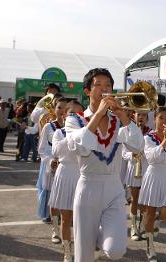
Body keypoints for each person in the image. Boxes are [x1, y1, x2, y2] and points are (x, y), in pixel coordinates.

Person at [65, 68, 144, 261]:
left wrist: (123, 115)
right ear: (87, 92)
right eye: (98, 85)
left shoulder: (119, 121)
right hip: (87, 187)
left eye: (108, 85)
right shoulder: (74, 119)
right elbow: (80, 148)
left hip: (114, 188)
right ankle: (91, 237)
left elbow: (137, 146)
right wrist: (99, 114)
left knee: (116, 250)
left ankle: (98, 235)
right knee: (84, 255)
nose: (104, 89)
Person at [138, 106, 166, 261]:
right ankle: (150, 247)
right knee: (149, 212)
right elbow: (151, 157)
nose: (164, 121)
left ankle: (155, 222)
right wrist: (164, 140)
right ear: (154, 119)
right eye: (161, 118)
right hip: (153, 174)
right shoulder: (148, 138)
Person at [49, 100, 84, 262]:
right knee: (66, 217)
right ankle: (67, 251)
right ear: (64, 116)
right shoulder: (58, 133)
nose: (76, 117)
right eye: (72, 114)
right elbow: (56, 151)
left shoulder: (86, 132)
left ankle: (83, 248)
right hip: (64, 173)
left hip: (82, 175)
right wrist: (70, 134)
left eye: (79, 114)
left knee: (82, 217)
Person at [38, 97, 68, 243]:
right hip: (53, 168)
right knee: (54, 199)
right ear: (54, 109)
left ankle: (66, 230)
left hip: (69, 169)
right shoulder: (48, 127)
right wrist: (50, 162)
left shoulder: (74, 127)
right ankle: (55, 231)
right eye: (59, 108)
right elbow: (42, 149)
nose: (62, 111)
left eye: (65, 108)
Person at [122, 111, 150, 241]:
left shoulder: (150, 133)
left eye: (144, 115)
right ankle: (133, 227)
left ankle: (143, 225)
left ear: (147, 118)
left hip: (147, 169)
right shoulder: (127, 131)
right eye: (139, 115)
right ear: (134, 116)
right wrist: (131, 155)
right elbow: (123, 152)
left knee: (145, 200)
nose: (141, 117)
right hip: (133, 168)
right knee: (134, 199)